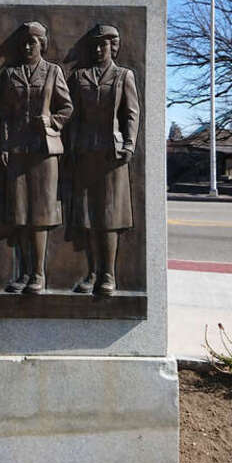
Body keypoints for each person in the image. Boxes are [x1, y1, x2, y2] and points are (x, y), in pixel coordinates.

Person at [0, 21, 73, 293]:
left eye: (33, 42)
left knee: (40, 213)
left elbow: (67, 106)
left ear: (42, 44)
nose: (28, 47)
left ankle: (38, 274)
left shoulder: (53, 72)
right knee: (20, 212)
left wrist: (52, 122)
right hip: (17, 150)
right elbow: (3, 115)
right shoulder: (11, 74)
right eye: (25, 43)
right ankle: (22, 272)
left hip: (43, 152)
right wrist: (4, 145)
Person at [69, 24, 140, 295]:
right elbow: (73, 116)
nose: (99, 50)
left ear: (113, 47)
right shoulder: (80, 77)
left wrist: (130, 145)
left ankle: (108, 274)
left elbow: (131, 113)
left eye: (104, 45)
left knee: (109, 216)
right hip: (86, 152)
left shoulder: (124, 76)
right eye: (95, 46)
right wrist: (72, 147)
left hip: (113, 154)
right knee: (88, 217)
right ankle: (90, 272)